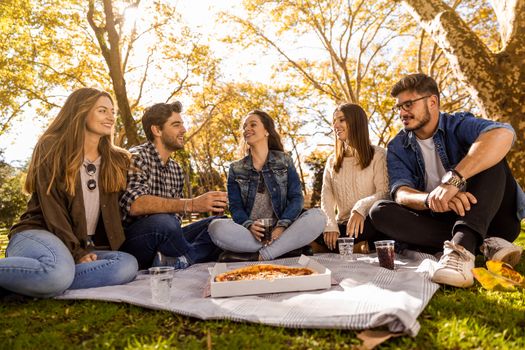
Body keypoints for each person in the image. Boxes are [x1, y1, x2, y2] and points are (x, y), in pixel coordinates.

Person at [369, 73, 525, 288]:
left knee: (488, 155)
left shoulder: (458, 124)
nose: (402, 113)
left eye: (408, 105)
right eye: (399, 108)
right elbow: (400, 191)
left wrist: (454, 181)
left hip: (496, 218)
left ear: (432, 102)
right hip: (445, 218)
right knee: (379, 211)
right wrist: (432, 199)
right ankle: (481, 243)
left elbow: (502, 133)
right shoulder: (398, 145)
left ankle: (462, 250)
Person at [0, 88, 138, 298]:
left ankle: (30, 283)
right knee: (58, 272)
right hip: (39, 233)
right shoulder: (51, 146)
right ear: (80, 111)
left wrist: (84, 250)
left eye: (112, 112)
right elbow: (52, 208)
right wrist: (76, 253)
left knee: (126, 264)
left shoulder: (115, 159)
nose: (110, 117)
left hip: (80, 244)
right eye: (102, 110)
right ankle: (49, 278)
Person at [119, 102, 228, 270]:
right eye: (176, 125)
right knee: (165, 222)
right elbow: (134, 204)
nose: (184, 130)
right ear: (157, 130)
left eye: (182, 124)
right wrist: (191, 204)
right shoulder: (137, 156)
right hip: (137, 241)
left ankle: (179, 259)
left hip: (168, 234)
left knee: (219, 224)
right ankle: (190, 256)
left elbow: (176, 221)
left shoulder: (176, 169)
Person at [208, 110, 326, 262]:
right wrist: (249, 226)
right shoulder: (236, 169)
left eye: (253, 124)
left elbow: (296, 198)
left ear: (266, 131)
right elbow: (235, 207)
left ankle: (262, 255)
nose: (246, 129)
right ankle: (284, 249)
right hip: (250, 234)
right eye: (244, 127)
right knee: (215, 227)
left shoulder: (284, 160)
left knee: (318, 216)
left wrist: (281, 227)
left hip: (282, 231)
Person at [318, 103, 389, 253]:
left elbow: (384, 193)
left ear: (356, 122)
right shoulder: (332, 161)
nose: (336, 125)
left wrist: (360, 208)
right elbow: (326, 198)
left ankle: (333, 247)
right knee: (308, 219)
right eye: (334, 121)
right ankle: (354, 246)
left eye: (342, 120)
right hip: (342, 227)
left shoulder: (379, 154)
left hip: (366, 224)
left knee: (383, 215)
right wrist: (330, 225)